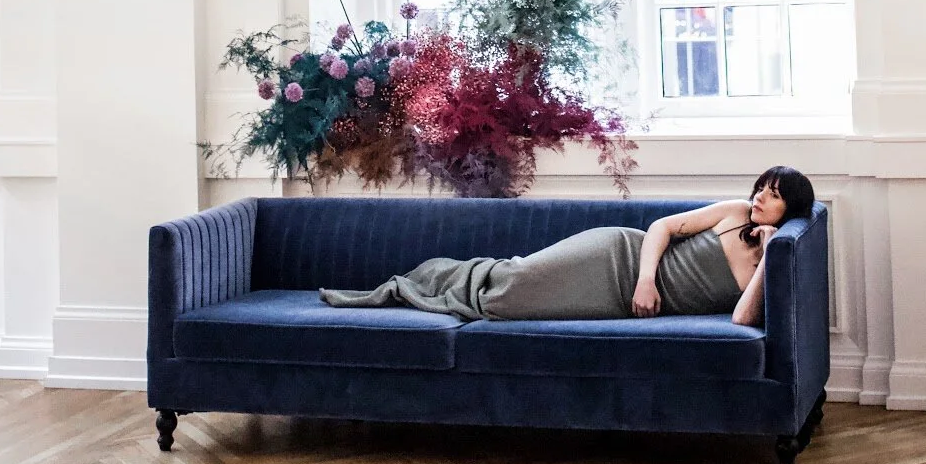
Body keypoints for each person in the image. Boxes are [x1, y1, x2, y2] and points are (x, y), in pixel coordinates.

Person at [321, 166, 816, 326]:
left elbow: (742, 320)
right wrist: (646, 280)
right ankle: (422, 280)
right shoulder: (734, 212)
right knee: (512, 279)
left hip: (618, 304)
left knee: (503, 305)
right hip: (620, 257)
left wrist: (769, 255)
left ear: (789, 210)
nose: (759, 198)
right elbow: (662, 227)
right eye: (761, 188)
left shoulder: (778, 256)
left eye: (772, 196)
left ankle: (441, 288)